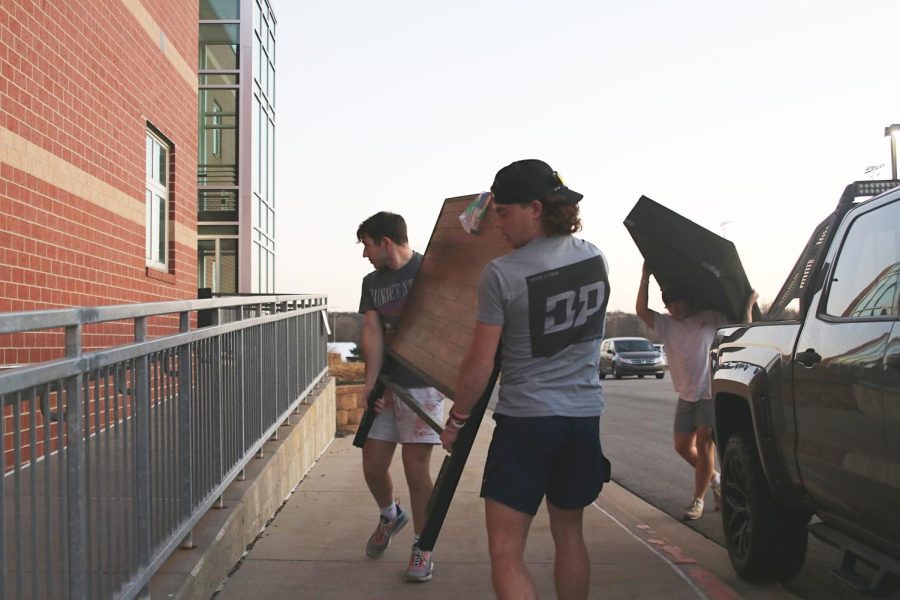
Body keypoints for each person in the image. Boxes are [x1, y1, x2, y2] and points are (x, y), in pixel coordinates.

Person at [440, 159, 611, 600]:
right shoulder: (595, 258)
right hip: (582, 421)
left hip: (527, 424)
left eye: (504, 211)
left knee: (505, 550)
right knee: (569, 535)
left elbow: (479, 364)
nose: (497, 222)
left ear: (535, 208)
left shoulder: (502, 273)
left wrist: (457, 420)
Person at [357, 211, 444, 582]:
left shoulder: (431, 272)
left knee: (415, 469)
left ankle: (423, 548)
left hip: (422, 386)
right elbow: (373, 334)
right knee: (373, 465)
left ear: (385, 242)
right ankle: (391, 515)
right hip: (386, 386)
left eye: (367, 246)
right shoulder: (371, 282)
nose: (365, 255)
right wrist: (370, 383)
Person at [635, 262, 757, 520]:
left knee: (704, 444)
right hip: (686, 394)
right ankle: (716, 480)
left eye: (677, 303)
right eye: (669, 305)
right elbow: (641, 310)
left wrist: (747, 306)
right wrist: (645, 276)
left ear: (688, 300)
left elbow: (740, 332)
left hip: (710, 392)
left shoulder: (710, 317)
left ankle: (697, 501)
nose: (674, 309)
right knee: (682, 446)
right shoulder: (666, 324)